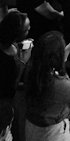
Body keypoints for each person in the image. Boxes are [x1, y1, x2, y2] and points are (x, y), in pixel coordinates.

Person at [24, 31, 70, 141]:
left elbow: (52, 63)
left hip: (31, 126)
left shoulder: (31, 69)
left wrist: (68, 48)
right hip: (52, 132)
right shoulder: (56, 84)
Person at [0, 10, 31, 141]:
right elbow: (11, 89)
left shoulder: (10, 47)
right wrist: (23, 62)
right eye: (27, 29)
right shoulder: (9, 61)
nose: (30, 30)